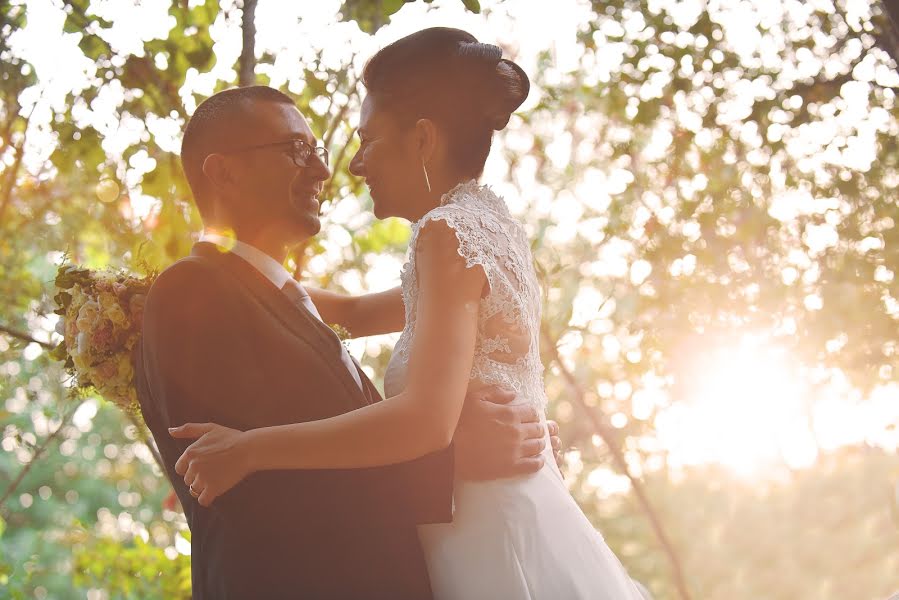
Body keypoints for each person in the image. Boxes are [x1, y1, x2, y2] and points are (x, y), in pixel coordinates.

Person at [171, 28, 645, 599]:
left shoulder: (446, 235)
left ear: (422, 139)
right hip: (513, 507)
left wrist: (250, 449)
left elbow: (425, 422)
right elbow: (346, 310)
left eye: (367, 140)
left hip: (482, 532)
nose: (354, 165)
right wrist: (218, 273)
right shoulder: (489, 229)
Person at [135, 83, 558, 599]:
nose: (321, 170)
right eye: (296, 150)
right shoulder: (192, 290)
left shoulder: (285, 299)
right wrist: (456, 463)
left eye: (317, 151)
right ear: (224, 172)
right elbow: (240, 489)